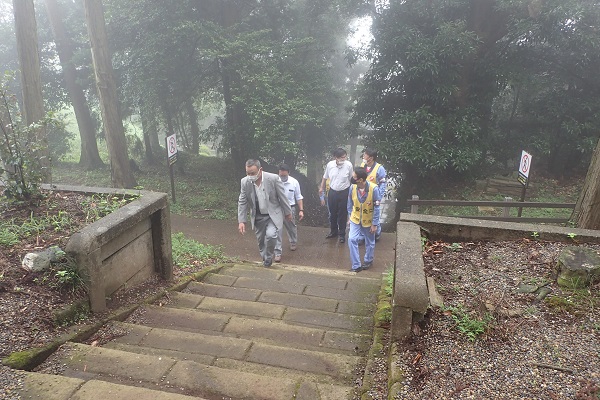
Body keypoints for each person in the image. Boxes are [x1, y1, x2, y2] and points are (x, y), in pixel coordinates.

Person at [238, 159, 293, 267]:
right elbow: (242, 201)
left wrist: (288, 212)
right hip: (258, 216)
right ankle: (266, 259)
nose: (250, 176)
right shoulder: (245, 182)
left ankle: (268, 258)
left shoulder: (273, 179)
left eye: (253, 173)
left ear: (260, 170)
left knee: (272, 235)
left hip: (272, 215)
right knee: (261, 242)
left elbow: (282, 196)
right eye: (248, 173)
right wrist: (241, 221)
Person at [347, 166, 381, 272]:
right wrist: (349, 216)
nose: (352, 178)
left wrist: (375, 223)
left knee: (370, 242)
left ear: (361, 179)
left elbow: (377, 207)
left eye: (354, 177)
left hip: (368, 220)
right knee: (351, 239)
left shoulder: (374, 189)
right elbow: (349, 203)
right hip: (355, 219)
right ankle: (356, 265)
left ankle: (368, 260)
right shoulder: (352, 187)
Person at [319, 148, 353, 243]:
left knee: (343, 214)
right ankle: (333, 231)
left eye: (345, 157)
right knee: (332, 213)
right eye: (341, 157)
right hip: (332, 192)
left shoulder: (349, 165)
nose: (343, 159)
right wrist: (321, 188)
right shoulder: (330, 165)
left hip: (344, 192)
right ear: (335, 158)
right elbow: (325, 177)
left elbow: (351, 179)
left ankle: (342, 234)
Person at [274, 164, 304, 262]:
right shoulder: (274, 181)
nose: (282, 177)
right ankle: (277, 252)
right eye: (281, 175)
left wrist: (301, 210)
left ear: (288, 173)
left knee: (291, 227)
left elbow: (298, 196)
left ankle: (293, 242)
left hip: (290, 208)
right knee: (277, 230)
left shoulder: (294, 182)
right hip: (277, 208)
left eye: (284, 176)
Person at [360, 148, 387, 241]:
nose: (363, 156)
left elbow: (382, 184)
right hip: (363, 195)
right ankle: (363, 235)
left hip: (374, 196)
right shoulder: (362, 165)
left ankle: (377, 233)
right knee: (363, 214)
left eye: (365, 155)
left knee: (375, 214)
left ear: (371, 158)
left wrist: (378, 196)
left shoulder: (380, 168)